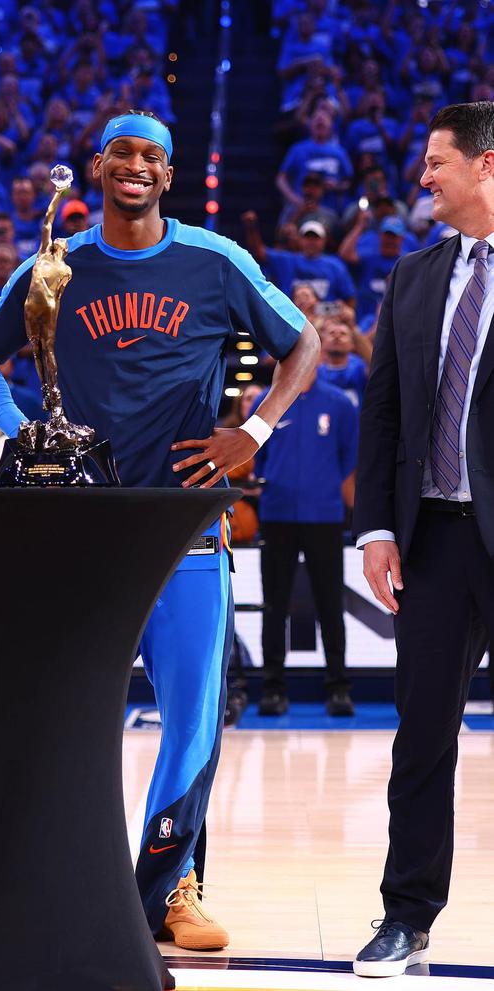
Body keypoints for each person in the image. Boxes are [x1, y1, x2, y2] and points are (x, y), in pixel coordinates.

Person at [0, 110, 319, 950]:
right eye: (122, 151)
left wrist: (254, 430)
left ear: (169, 174)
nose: (136, 165)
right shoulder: (57, 265)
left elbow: (301, 344)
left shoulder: (215, 260)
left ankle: (168, 890)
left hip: (184, 526)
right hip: (82, 527)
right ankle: (61, 882)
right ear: (98, 165)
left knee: (193, 721)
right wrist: (26, 431)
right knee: (64, 717)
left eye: (153, 155)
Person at [352, 101, 494, 977]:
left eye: (437, 161)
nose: (423, 176)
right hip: (433, 538)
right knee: (422, 738)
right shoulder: (412, 276)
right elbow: (382, 412)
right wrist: (376, 526)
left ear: (486, 164)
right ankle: (407, 915)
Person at [254, 358, 358, 717]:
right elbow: (256, 454)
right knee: (274, 605)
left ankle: (338, 687)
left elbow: (348, 457)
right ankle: (272, 687)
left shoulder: (340, 404)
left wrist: (324, 488)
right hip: (277, 515)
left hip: (324, 516)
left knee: (330, 603)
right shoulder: (266, 400)